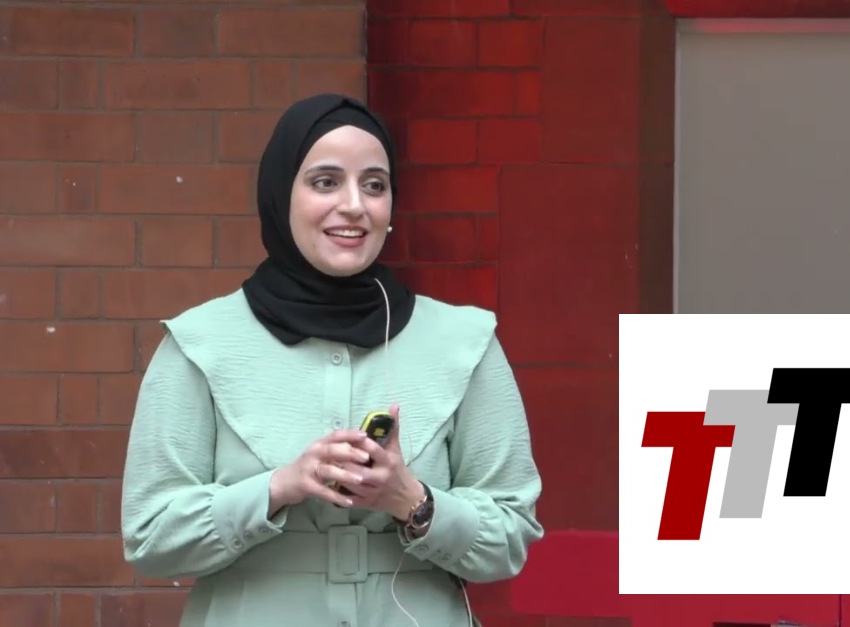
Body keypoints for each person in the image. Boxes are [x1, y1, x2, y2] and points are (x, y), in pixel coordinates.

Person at [120, 93, 544, 627]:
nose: (354, 205)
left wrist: (411, 500)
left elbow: (511, 539)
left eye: (375, 185)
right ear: (281, 195)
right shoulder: (200, 342)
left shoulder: (465, 342)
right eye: (325, 182)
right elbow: (150, 538)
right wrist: (280, 487)